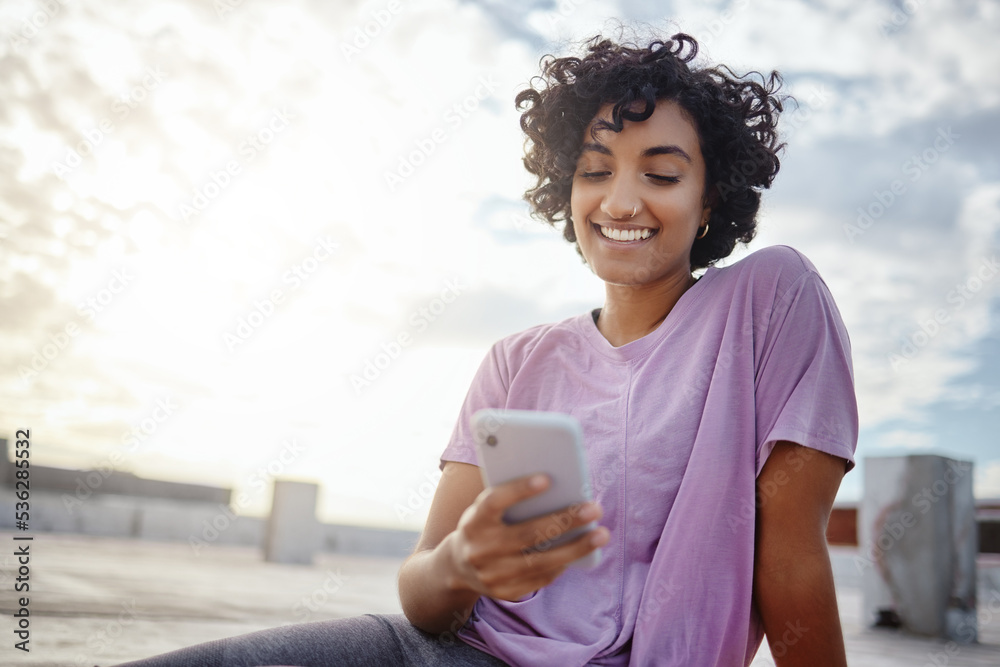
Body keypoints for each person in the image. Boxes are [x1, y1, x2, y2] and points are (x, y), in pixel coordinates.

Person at [113, 29, 857, 667]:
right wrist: (464, 563)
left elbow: (789, 554)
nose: (621, 201)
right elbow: (423, 592)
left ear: (711, 199)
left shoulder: (772, 299)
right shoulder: (516, 359)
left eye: (661, 174)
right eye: (595, 172)